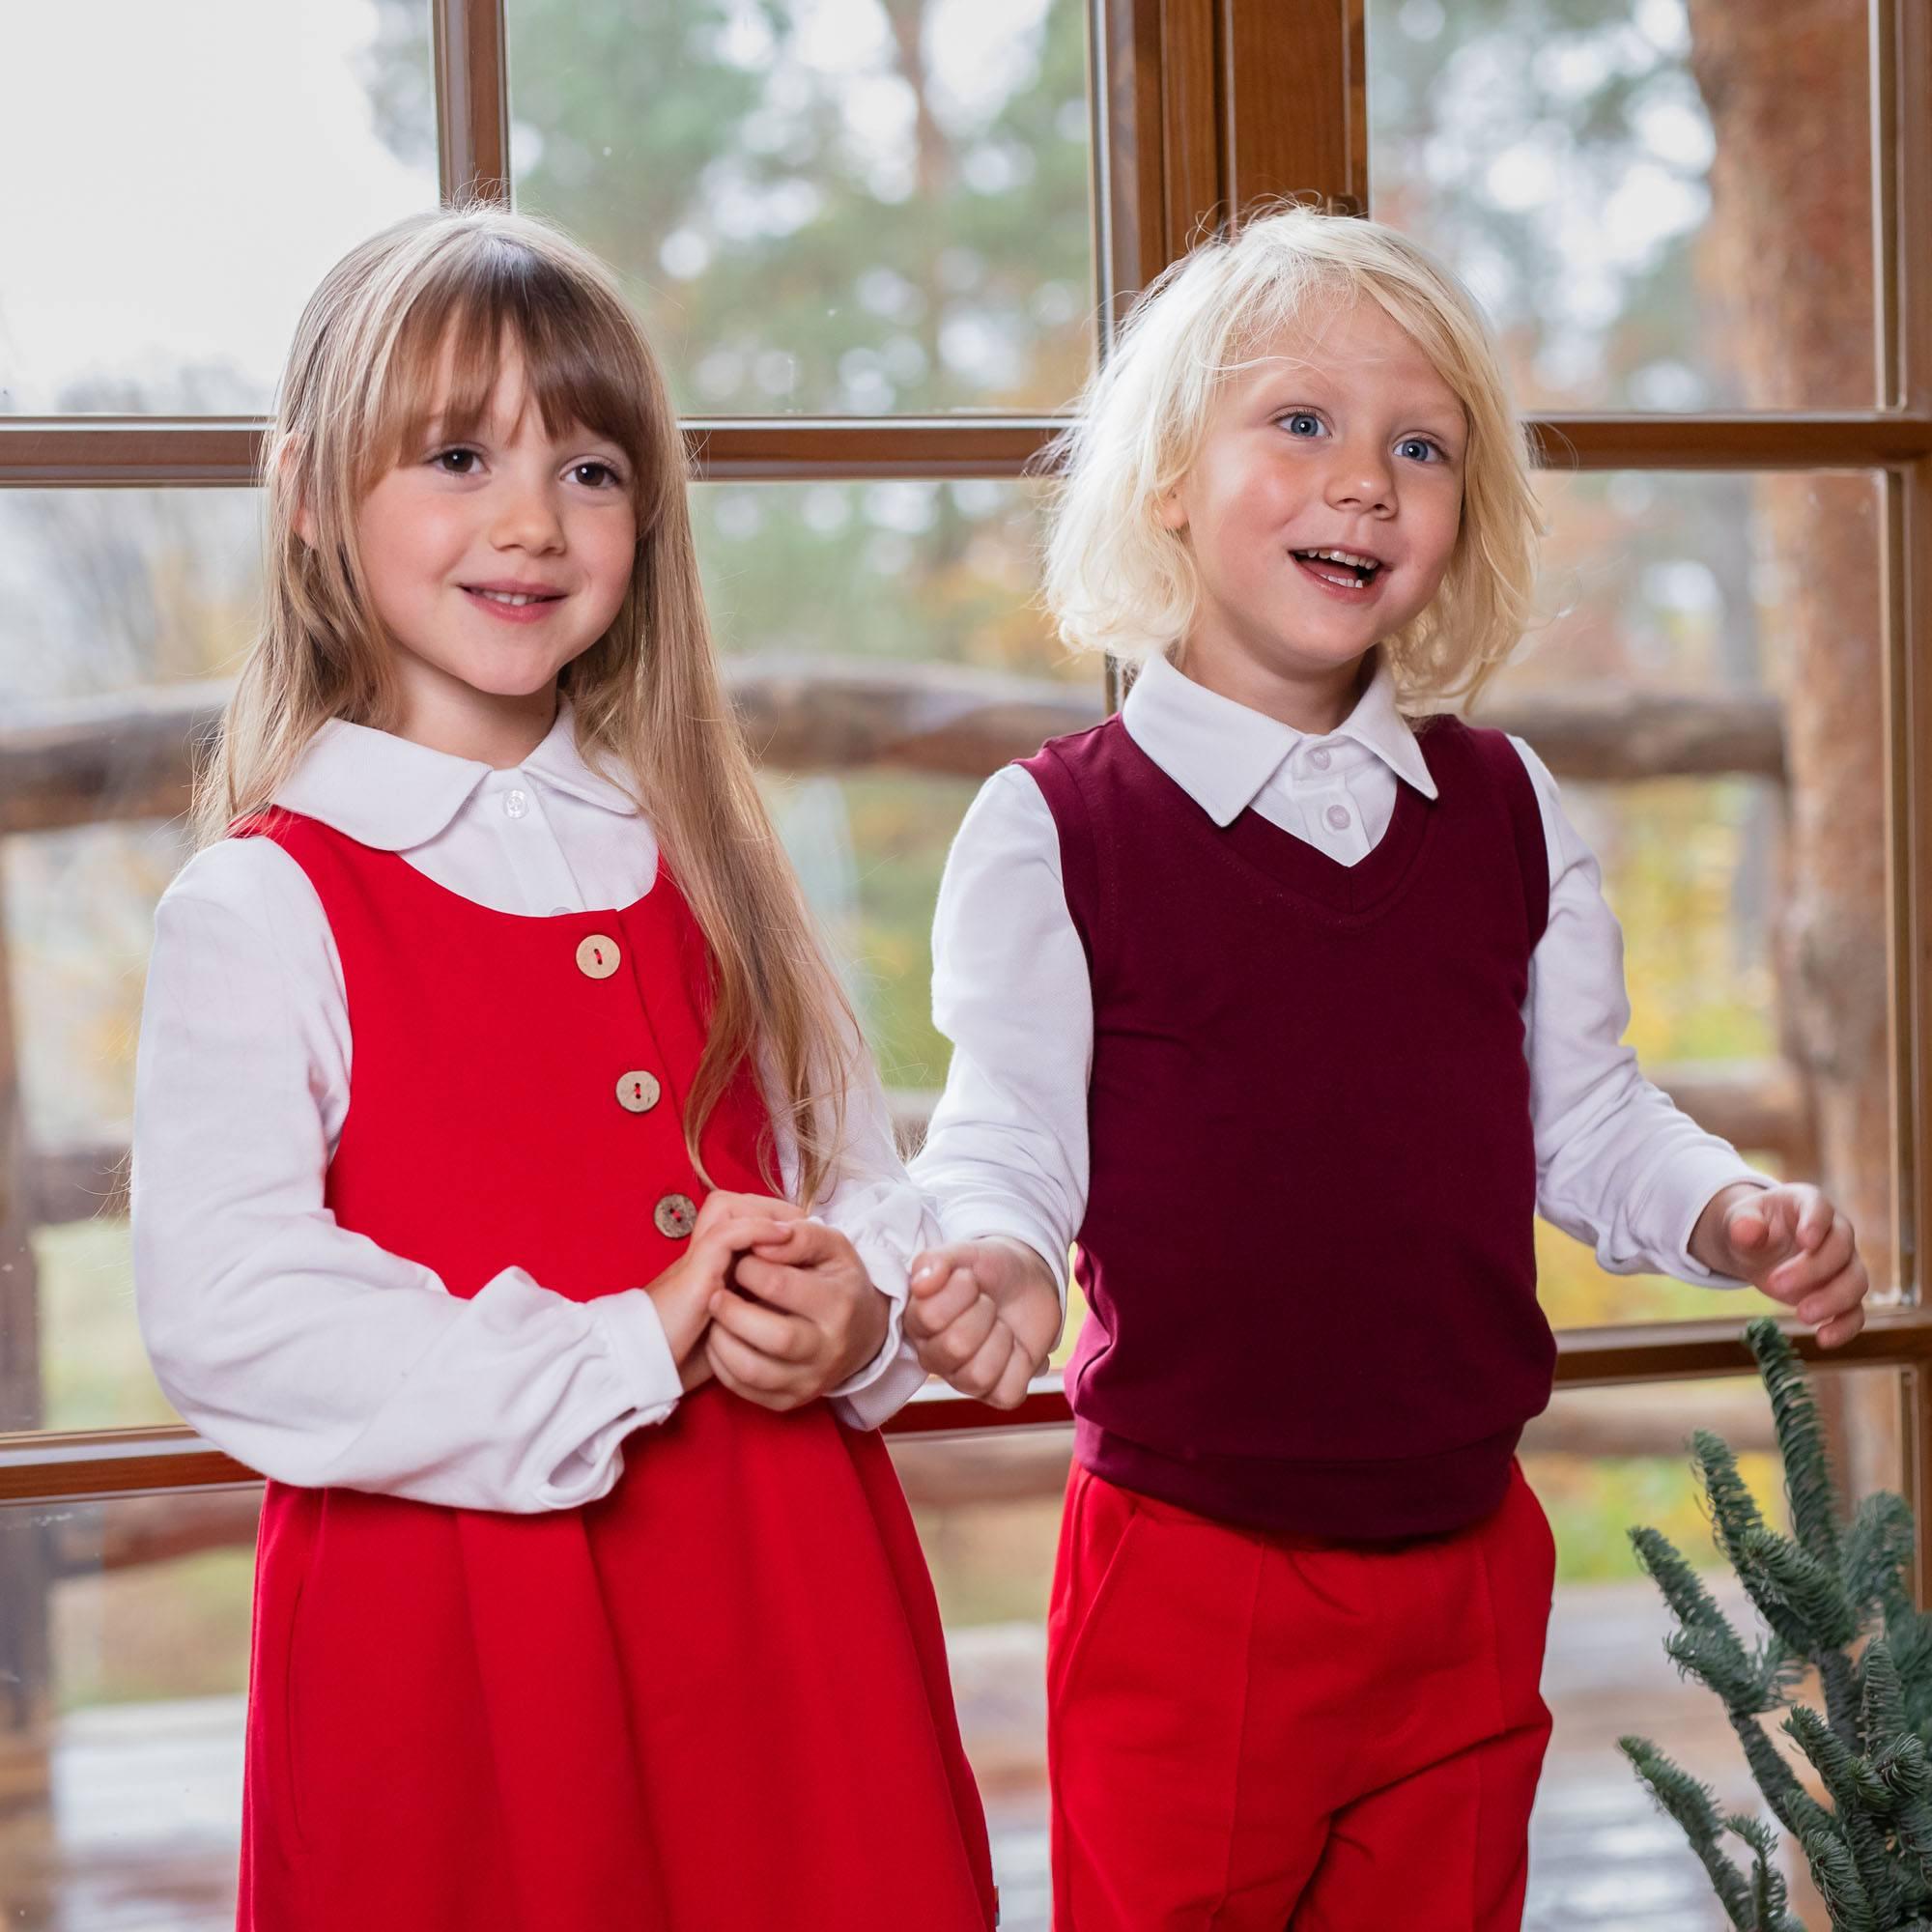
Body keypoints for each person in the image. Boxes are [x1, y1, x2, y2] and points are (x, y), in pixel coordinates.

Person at [902, 206, 1871, 1930]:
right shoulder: (1054, 831)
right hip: (1192, 1576)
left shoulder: (1506, 812)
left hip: (1467, 1565)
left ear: (1461, 519)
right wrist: (986, 1252)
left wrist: (1723, 1206)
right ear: (1166, 483)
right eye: (1301, 423)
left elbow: (1587, 1117)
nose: (1365, 482)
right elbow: (1007, 1134)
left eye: (1419, 446)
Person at [131, 206, 994, 1932]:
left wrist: (864, 1312)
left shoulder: (721, 859)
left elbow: (859, 1185)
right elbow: (228, 1305)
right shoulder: (262, 905)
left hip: (787, 1622)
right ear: (309, 496)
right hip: (454, 1665)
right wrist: (624, 1340)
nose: (532, 519)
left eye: (592, 471)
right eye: (459, 456)